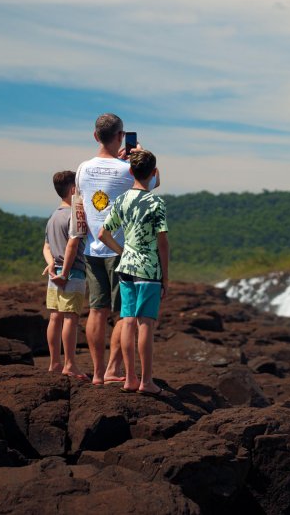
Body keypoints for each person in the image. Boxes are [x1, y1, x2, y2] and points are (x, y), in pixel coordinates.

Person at [73, 113, 158, 385]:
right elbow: (153, 181)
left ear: (96, 136)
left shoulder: (83, 168)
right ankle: (112, 369)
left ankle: (97, 373)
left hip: (92, 248)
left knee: (97, 310)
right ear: (121, 137)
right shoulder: (127, 170)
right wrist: (141, 153)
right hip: (122, 250)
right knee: (126, 314)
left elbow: (79, 201)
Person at [97, 149, 169, 395]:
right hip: (149, 270)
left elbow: (102, 233)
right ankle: (146, 382)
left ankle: (129, 378)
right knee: (145, 324)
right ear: (154, 173)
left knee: (127, 322)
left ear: (130, 171)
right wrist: (166, 277)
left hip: (125, 267)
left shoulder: (121, 200)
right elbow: (163, 243)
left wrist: (122, 250)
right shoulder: (156, 203)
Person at [42, 170, 87, 380]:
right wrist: (66, 273)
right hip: (73, 273)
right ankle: (70, 365)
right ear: (72, 190)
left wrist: (51, 266)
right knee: (70, 319)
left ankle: (54, 363)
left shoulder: (53, 216)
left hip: (54, 274)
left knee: (55, 318)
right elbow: (73, 244)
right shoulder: (75, 215)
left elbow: (46, 247)